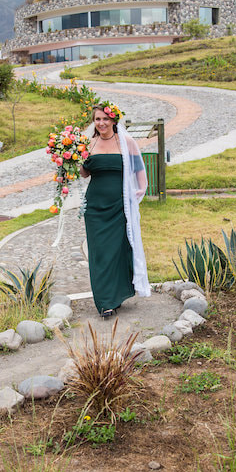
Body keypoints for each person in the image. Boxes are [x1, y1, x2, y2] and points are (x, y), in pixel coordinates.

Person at [79, 103, 151, 318]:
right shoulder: (88, 144)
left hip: (119, 206)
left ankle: (116, 295)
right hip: (95, 207)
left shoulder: (126, 142)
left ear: (113, 120)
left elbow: (139, 170)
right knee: (99, 254)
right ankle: (104, 302)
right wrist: (71, 159)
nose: (101, 123)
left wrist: (138, 192)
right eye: (97, 119)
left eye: (105, 119)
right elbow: (84, 174)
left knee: (117, 251)